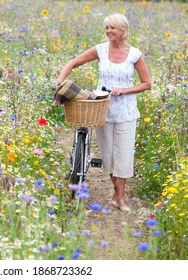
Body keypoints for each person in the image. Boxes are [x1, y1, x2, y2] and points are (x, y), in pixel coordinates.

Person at [55, 13, 151, 212]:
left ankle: (120, 198)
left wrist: (125, 89)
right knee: (108, 156)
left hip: (126, 111)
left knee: (123, 155)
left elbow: (147, 84)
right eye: (107, 28)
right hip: (102, 109)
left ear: (122, 30)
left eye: (112, 28)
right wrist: (60, 82)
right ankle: (116, 194)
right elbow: (72, 63)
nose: (108, 31)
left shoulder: (135, 54)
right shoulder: (100, 50)